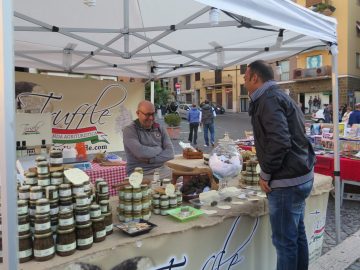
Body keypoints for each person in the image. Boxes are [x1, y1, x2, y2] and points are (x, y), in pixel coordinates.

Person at [245, 60, 315, 270]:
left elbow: (279, 141)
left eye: (245, 76)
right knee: (297, 236)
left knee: (285, 243)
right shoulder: (279, 95)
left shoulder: (268, 99)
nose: (244, 81)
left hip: (287, 181)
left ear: (255, 77)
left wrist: (265, 174)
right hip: (299, 175)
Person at [122, 100, 175, 178]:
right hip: (140, 173)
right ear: (138, 113)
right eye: (147, 114)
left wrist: (151, 160)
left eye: (153, 114)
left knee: (182, 182)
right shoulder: (129, 130)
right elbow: (140, 152)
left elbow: (170, 153)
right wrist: (159, 149)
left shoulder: (160, 128)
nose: (151, 118)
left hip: (162, 169)